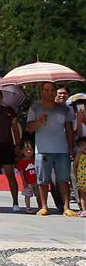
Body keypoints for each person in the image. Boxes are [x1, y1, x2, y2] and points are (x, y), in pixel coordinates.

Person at [27, 82, 77, 216]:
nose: (49, 92)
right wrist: (39, 121)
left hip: (62, 149)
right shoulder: (35, 108)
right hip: (43, 149)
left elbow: (69, 130)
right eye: (46, 90)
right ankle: (44, 206)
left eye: (52, 90)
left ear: (55, 92)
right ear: (42, 91)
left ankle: (66, 207)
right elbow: (29, 128)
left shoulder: (65, 109)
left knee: (63, 179)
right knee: (43, 179)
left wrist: (71, 147)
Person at [16, 140, 38, 214]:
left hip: (36, 181)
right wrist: (24, 182)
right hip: (28, 182)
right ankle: (28, 207)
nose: (29, 151)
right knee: (27, 195)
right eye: (26, 150)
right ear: (22, 151)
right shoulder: (22, 162)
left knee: (38, 194)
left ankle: (41, 206)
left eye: (30, 150)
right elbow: (21, 173)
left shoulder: (35, 160)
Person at [73, 137, 86, 216]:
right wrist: (75, 175)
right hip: (82, 178)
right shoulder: (79, 154)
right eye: (82, 145)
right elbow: (75, 165)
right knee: (83, 195)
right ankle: (84, 210)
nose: (84, 147)